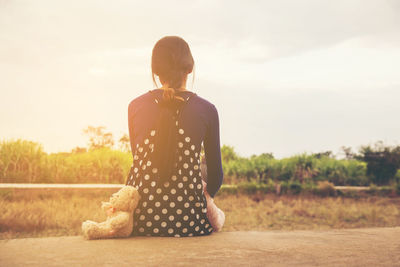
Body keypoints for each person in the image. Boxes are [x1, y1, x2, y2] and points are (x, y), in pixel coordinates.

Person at [126, 36, 224, 237]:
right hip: (190, 222)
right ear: (189, 68)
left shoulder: (135, 106)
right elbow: (215, 177)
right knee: (204, 166)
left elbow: (139, 158)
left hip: (142, 220)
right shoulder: (207, 109)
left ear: (156, 71)